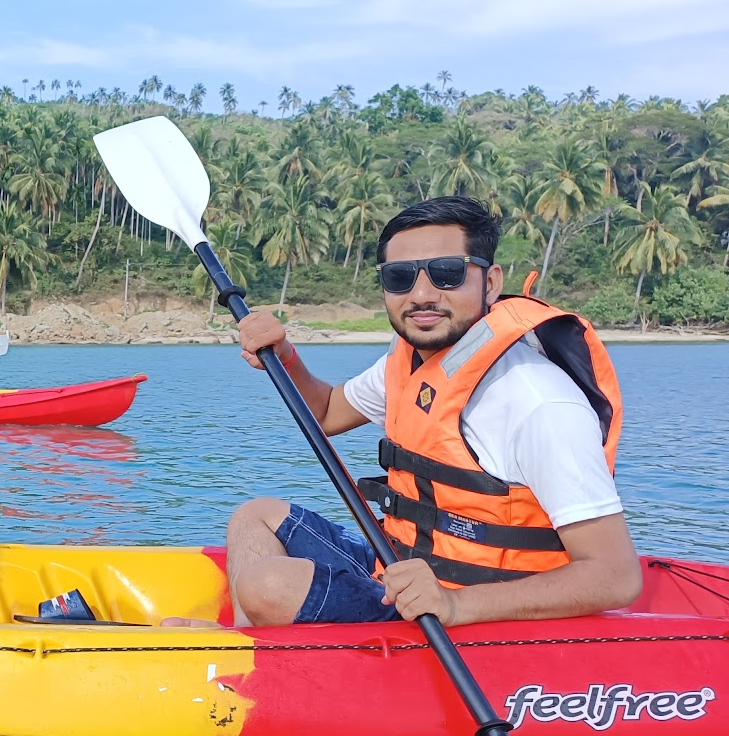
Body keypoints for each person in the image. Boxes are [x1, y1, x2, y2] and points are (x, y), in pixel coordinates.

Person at [212, 195, 640, 629]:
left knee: (267, 585)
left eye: (447, 273)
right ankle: (252, 655)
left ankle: (251, 658)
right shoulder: (414, 362)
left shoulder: (539, 402)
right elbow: (323, 412)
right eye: (400, 277)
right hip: (402, 576)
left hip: (475, 613)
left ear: (490, 282)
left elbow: (615, 575)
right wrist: (284, 357)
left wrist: (457, 607)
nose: (421, 295)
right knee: (255, 516)